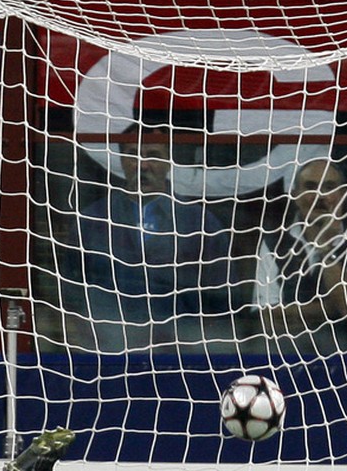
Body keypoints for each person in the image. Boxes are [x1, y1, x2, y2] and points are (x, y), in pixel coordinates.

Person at [65, 127, 234, 352]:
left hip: (183, 357)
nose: (143, 165)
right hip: (109, 354)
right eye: (133, 154)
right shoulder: (92, 221)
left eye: (153, 155)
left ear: (169, 161)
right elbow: (69, 293)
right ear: (122, 160)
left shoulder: (200, 223)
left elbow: (221, 298)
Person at [252, 157, 347, 355]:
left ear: (342, 194)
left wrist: (325, 249)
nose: (320, 195)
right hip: (286, 355)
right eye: (311, 187)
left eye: (329, 187)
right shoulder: (274, 242)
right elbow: (268, 319)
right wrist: (331, 310)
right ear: (295, 194)